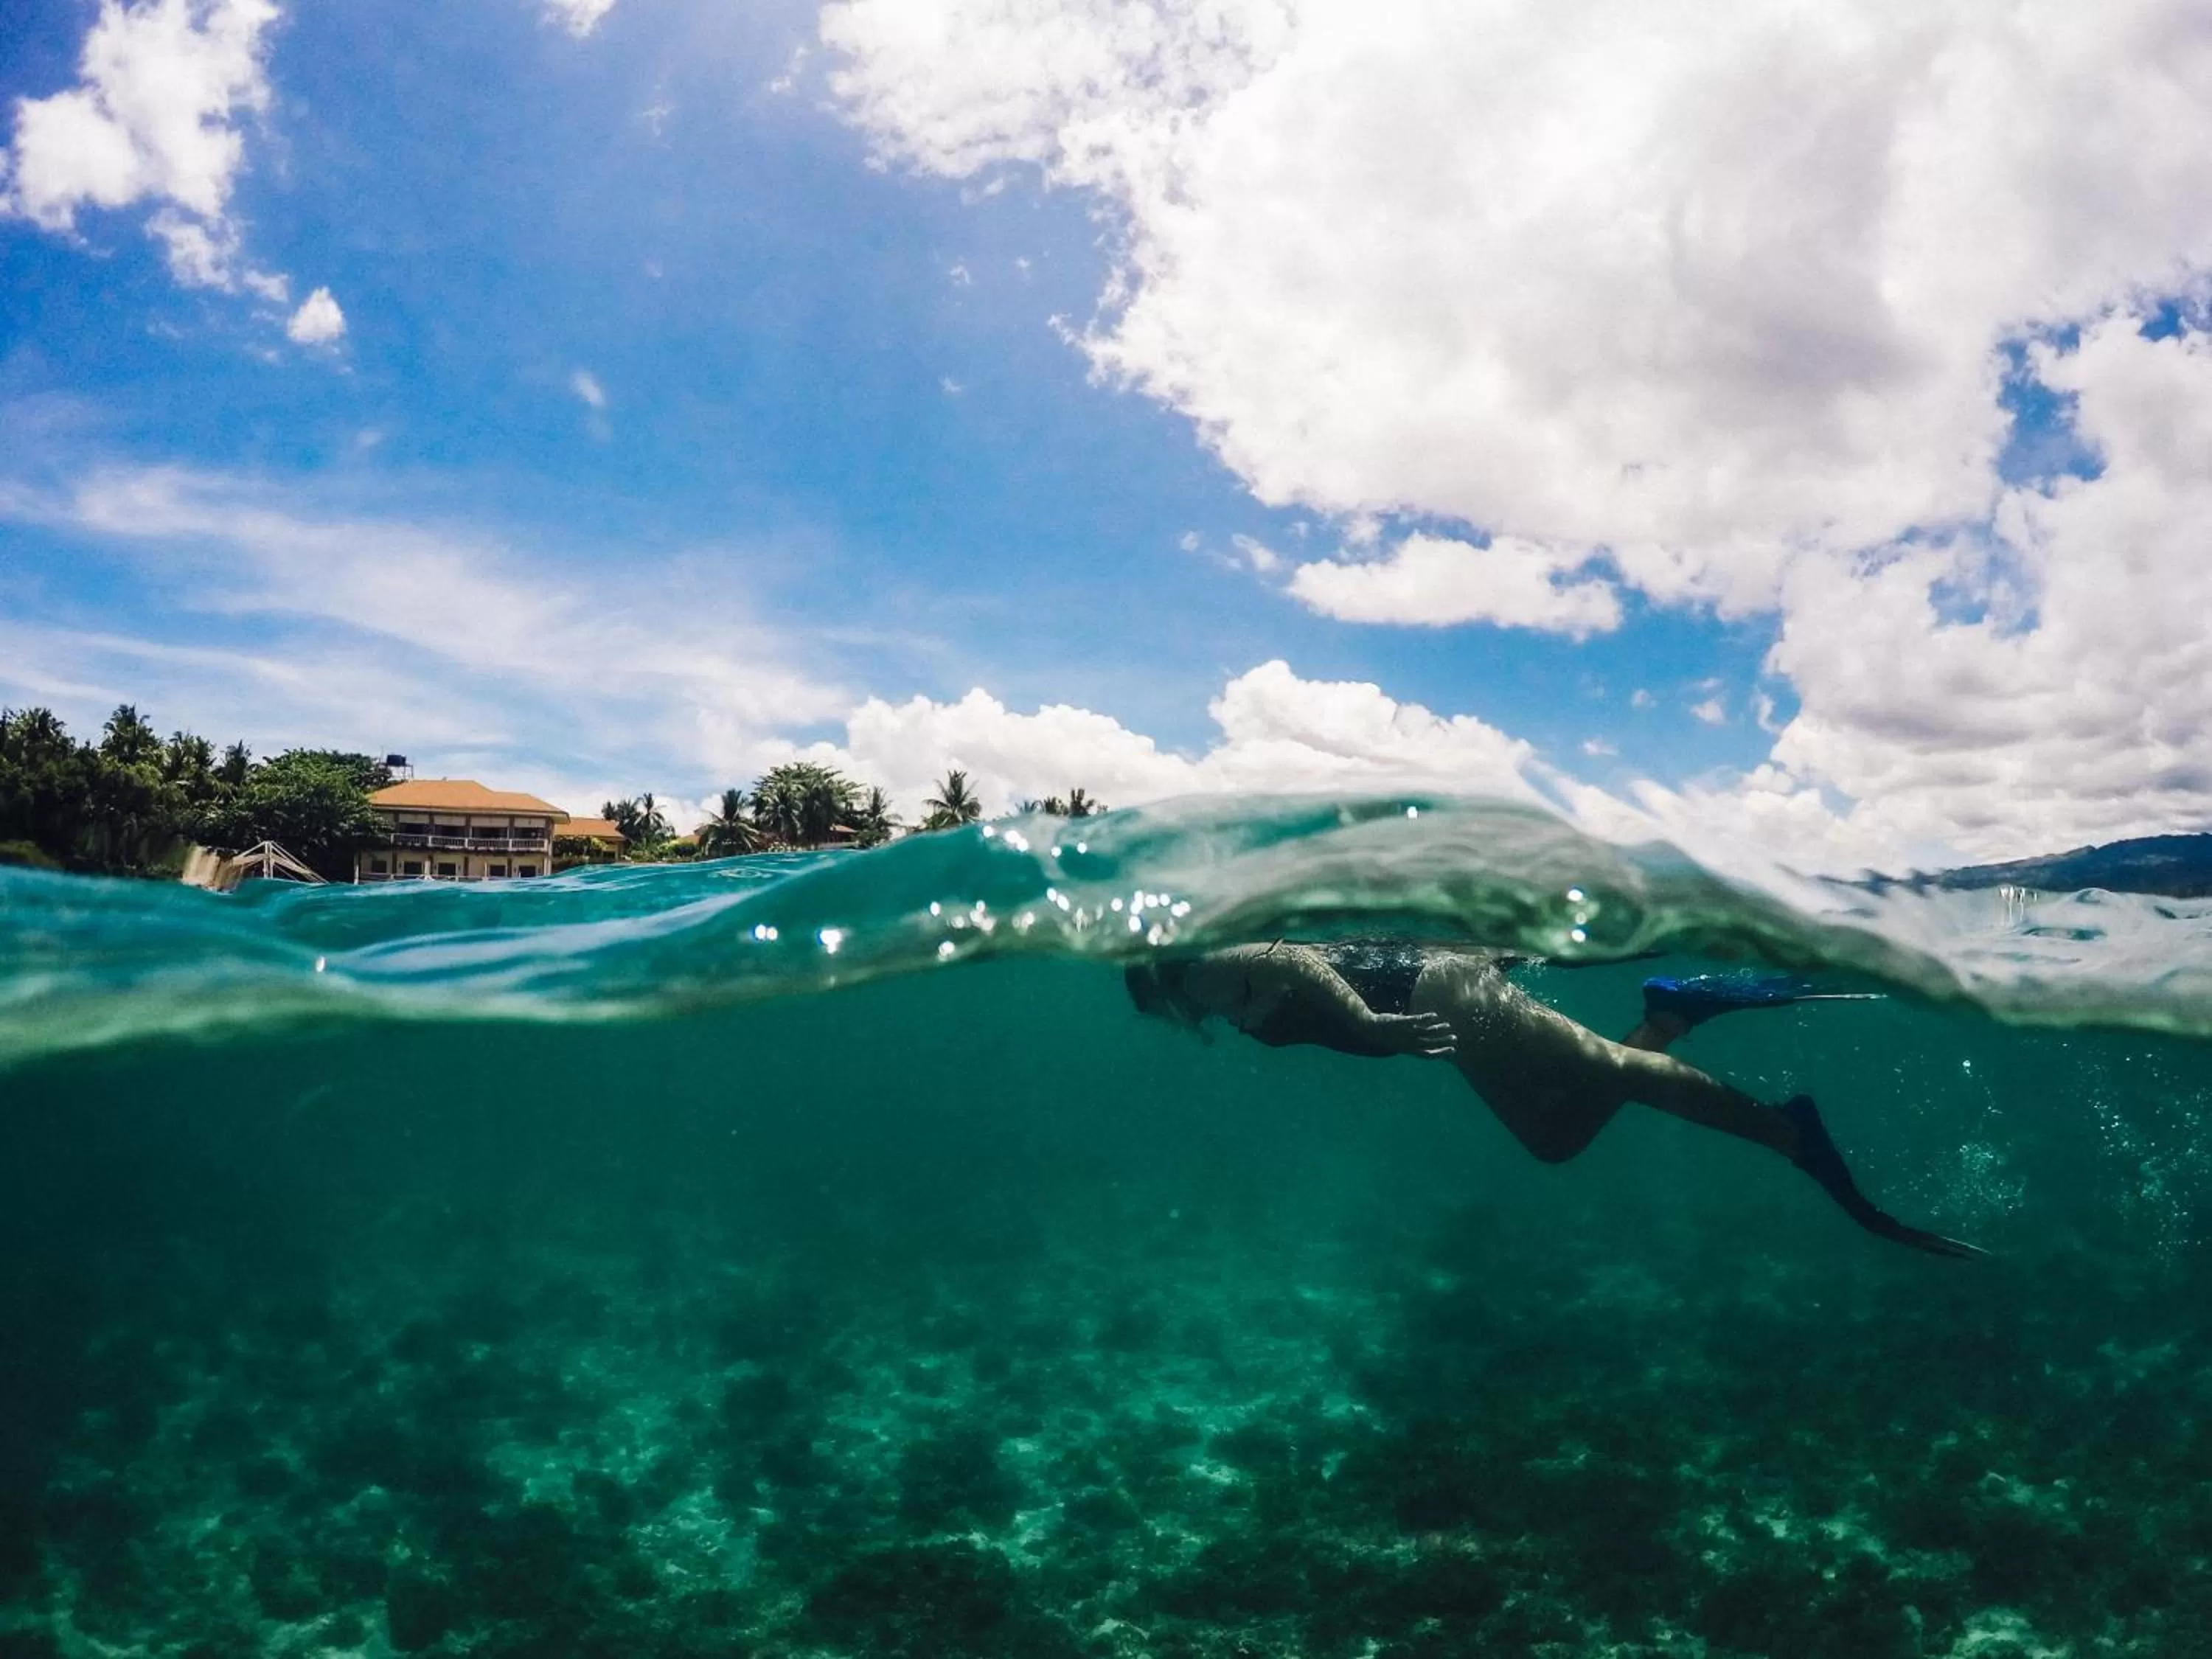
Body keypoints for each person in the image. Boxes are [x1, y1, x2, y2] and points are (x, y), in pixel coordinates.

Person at [1124, 939, 1982, 1259]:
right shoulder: (1211, 998)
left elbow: (1295, 963)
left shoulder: (1202, 969)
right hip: (1438, 994)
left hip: (1437, 986)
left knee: (1609, 1074)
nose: (1171, 1022)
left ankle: (1790, 1136)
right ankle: (1673, 1013)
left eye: (1157, 1011)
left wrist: (1370, 1025)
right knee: (1558, 1135)